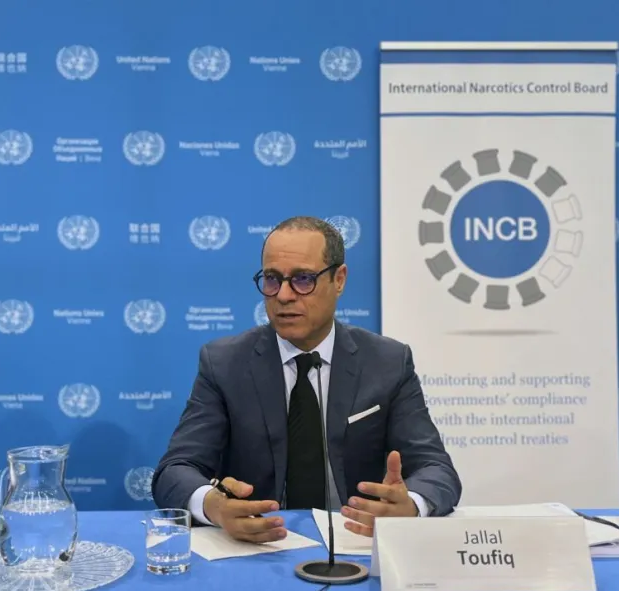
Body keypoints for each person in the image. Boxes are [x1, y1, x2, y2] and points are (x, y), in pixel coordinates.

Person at [152, 216, 461, 542]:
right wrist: (213, 506)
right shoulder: (225, 364)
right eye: (272, 279)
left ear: (339, 279)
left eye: (302, 279)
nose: (284, 295)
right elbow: (174, 471)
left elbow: (437, 470)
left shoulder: (387, 363)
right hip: (259, 548)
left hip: (355, 542)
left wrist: (409, 505)